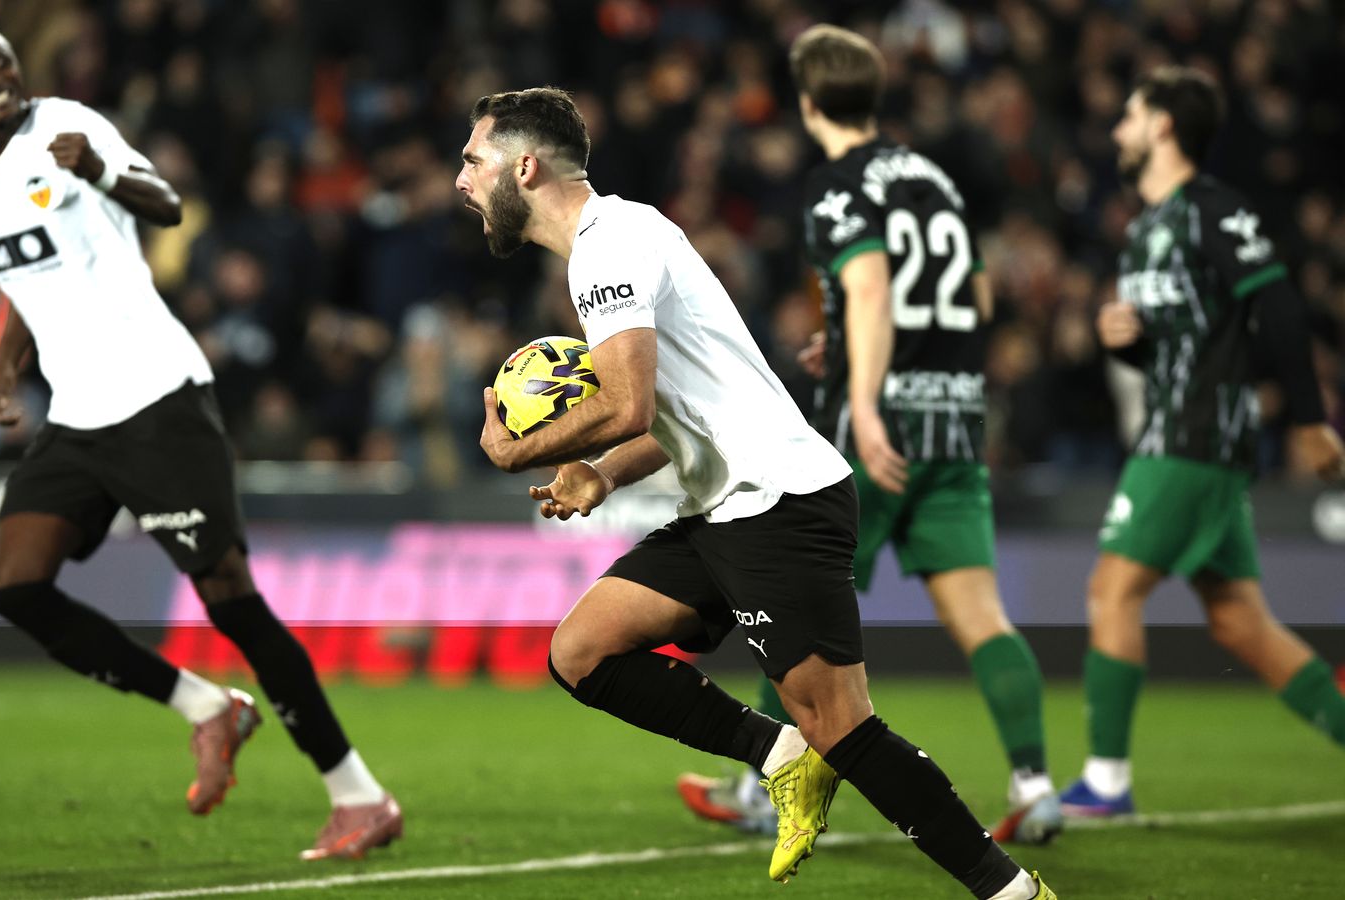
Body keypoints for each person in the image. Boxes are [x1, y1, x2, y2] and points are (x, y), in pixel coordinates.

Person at [456, 86, 1055, 898]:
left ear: (524, 167)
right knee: (582, 651)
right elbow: (673, 418)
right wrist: (601, 472)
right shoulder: (618, 239)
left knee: (845, 727)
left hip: (777, 503)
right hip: (722, 506)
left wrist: (512, 449)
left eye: (474, 159)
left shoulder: (610, 247)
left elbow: (626, 404)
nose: (461, 178)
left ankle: (1013, 891)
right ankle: (782, 758)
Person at [0, 17, 401, 859]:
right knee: (15, 585)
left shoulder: (71, 127)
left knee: (231, 601)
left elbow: (169, 204)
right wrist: (7, 362)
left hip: (157, 398)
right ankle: (207, 708)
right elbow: (23, 270)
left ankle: (358, 795)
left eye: (1, 60)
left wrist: (104, 168)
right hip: (76, 414)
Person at [677, 24, 1060, 846]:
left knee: (784, 600)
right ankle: (1037, 783)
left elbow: (872, 285)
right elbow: (980, 302)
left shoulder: (838, 185)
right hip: (956, 423)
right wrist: (855, 337)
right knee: (981, 615)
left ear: (809, 101)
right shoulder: (936, 179)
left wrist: (867, 385)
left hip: (874, 433)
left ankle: (764, 786)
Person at [1059, 66, 1345, 816]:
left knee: (1110, 590)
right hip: (1181, 430)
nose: (1117, 130)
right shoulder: (1148, 228)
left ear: (1161, 125)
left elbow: (1277, 305)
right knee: (1240, 620)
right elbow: (1183, 340)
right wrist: (1128, 341)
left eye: (1128, 115)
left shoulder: (1213, 211)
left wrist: (1310, 420)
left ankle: (1107, 783)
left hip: (1191, 436)